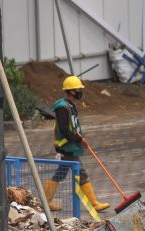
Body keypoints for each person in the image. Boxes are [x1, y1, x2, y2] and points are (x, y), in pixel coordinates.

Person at [43, 76, 110, 211]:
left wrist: (80, 139)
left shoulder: (70, 105)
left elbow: (72, 127)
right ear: (71, 91)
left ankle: (45, 203)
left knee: (60, 174)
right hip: (66, 147)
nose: (80, 91)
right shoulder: (63, 108)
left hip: (70, 145)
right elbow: (65, 129)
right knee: (81, 172)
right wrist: (79, 140)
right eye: (78, 89)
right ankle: (94, 203)